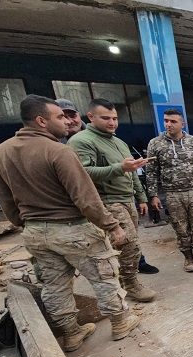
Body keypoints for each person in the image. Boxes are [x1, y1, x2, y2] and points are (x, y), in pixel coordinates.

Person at [0, 94, 141, 350]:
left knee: (54, 284)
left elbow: (4, 198)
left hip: (35, 232)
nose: (67, 121)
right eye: (59, 116)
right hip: (73, 228)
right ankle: (120, 322)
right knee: (103, 277)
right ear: (41, 121)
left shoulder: (0, 153)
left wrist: (23, 222)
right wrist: (111, 225)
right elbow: (85, 197)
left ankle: (71, 333)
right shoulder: (59, 151)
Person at [68, 98, 157, 302]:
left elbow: (132, 171)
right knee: (128, 245)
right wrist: (120, 168)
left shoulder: (118, 141)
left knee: (125, 246)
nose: (112, 122)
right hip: (107, 201)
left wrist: (141, 197)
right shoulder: (82, 141)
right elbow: (83, 173)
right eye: (106, 118)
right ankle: (130, 285)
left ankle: (122, 284)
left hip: (127, 200)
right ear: (90, 117)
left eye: (115, 118)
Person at [146, 109, 193, 275]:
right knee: (180, 229)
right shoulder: (155, 144)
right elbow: (151, 171)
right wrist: (153, 195)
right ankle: (188, 259)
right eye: (166, 121)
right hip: (173, 194)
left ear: (182, 124)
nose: (168, 124)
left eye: (173, 121)